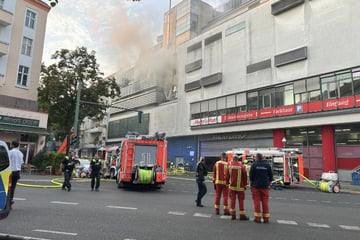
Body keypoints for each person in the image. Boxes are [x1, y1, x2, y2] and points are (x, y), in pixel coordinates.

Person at [249, 153, 274, 223]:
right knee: (265, 203)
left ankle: (258, 218)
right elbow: (271, 176)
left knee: (256, 202)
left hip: (256, 186)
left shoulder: (254, 165)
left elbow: (251, 176)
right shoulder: (267, 165)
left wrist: (251, 185)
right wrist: (269, 185)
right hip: (264, 187)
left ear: (256, 158)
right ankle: (266, 219)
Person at [226, 155, 249, 220]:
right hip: (240, 187)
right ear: (238, 159)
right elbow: (245, 177)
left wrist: (227, 184)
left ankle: (233, 214)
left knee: (232, 200)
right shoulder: (241, 167)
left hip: (232, 187)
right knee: (241, 201)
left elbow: (227, 176)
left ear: (232, 159)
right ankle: (242, 215)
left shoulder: (229, 166)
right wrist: (245, 185)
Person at [9, 140, 24, 208]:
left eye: (11, 144)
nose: (10, 145)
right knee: (13, 187)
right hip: (17, 172)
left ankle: (7, 202)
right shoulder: (20, 153)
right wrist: (19, 174)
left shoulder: (10, 152)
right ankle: (11, 200)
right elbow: (20, 164)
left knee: (7, 187)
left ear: (13, 145)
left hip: (10, 172)